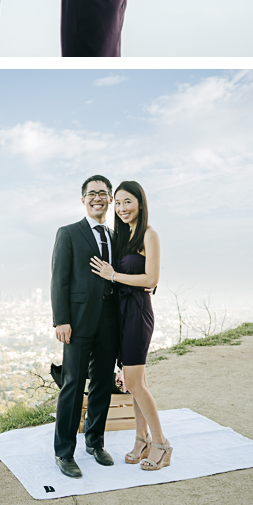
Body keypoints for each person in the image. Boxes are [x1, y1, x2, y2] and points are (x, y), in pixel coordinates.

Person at [90, 180, 172, 472]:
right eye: (119, 203)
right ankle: (142, 439)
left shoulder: (149, 235)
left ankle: (161, 444)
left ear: (140, 202)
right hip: (121, 313)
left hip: (137, 313)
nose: (123, 208)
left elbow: (151, 279)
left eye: (129, 202)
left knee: (135, 384)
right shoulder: (123, 237)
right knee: (136, 384)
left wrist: (114, 276)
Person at [51, 175, 120, 478]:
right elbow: (59, 279)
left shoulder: (117, 238)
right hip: (77, 322)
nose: (97, 198)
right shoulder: (68, 233)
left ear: (110, 199)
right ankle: (64, 452)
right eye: (92, 194)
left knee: (103, 383)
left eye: (103, 193)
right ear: (83, 200)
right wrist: (61, 320)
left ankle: (95, 442)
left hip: (110, 321)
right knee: (73, 385)